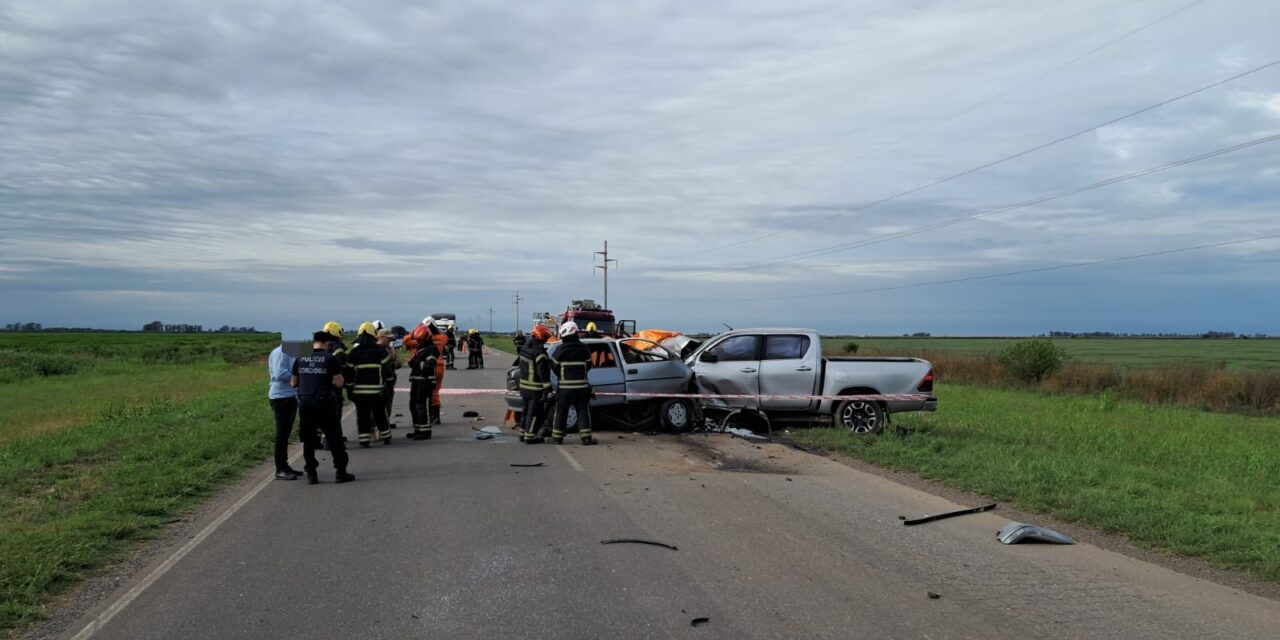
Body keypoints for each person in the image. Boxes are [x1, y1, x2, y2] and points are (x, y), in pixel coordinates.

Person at [291, 332, 354, 484]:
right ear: (327, 343)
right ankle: (340, 472)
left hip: (305, 403)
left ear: (313, 342)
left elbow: (293, 383)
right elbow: (339, 382)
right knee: (334, 439)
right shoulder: (329, 358)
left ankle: (311, 474)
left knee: (308, 440)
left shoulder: (300, 357)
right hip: (324, 403)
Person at [347, 322, 394, 447]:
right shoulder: (381, 351)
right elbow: (387, 371)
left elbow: (349, 373)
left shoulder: (354, 352)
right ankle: (386, 437)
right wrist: (388, 386)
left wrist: (350, 389)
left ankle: (364, 441)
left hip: (359, 393)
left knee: (362, 417)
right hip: (377, 391)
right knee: (380, 414)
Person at [550, 321, 595, 445]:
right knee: (583, 411)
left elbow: (554, 366)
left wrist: (563, 376)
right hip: (582, 387)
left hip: (565, 388)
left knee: (561, 411)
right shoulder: (584, 348)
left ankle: (557, 438)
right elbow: (590, 365)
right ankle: (586, 438)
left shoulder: (560, 349)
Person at [268, 340, 303, 480]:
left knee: (286, 433)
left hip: (290, 395)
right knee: (282, 434)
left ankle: (285, 465)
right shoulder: (280, 353)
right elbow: (279, 373)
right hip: (280, 397)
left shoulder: (292, 352)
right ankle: (280, 468)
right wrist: (298, 377)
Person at [516, 324, 554, 443]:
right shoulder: (539, 351)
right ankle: (530, 436)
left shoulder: (526, 347)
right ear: (542, 336)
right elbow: (542, 371)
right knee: (534, 413)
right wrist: (547, 387)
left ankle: (522, 434)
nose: (547, 339)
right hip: (535, 388)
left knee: (525, 411)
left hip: (524, 386)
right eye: (546, 337)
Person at [320, 321, 349, 448]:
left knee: (324, 413)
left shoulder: (319, 346)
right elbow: (342, 365)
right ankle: (330, 440)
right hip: (334, 386)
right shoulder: (338, 347)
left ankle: (329, 438)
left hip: (320, 386)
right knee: (335, 413)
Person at [407, 329, 439, 440]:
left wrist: (414, 363)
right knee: (413, 405)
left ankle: (425, 432)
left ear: (426, 338)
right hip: (416, 381)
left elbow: (429, 365)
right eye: (417, 340)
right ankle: (417, 430)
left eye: (420, 340)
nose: (418, 342)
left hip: (425, 382)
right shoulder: (421, 348)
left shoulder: (432, 349)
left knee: (422, 406)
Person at [375, 325, 401, 428]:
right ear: (381, 337)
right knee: (379, 405)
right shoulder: (375, 350)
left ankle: (386, 422)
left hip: (390, 381)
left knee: (388, 404)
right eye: (388, 338)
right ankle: (378, 425)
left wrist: (395, 362)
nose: (390, 340)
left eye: (391, 339)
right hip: (380, 382)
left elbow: (398, 363)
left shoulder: (390, 349)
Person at [429, 323, 449, 424]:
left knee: (425, 392)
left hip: (428, 367)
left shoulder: (425, 339)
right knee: (435, 391)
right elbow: (445, 337)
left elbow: (408, 340)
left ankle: (429, 415)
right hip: (440, 366)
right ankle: (436, 417)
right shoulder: (442, 338)